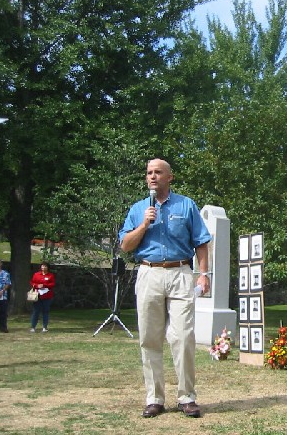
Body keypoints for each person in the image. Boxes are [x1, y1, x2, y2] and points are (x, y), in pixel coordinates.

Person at [119, 158, 212, 419]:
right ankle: (155, 398)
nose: (152, 176)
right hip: (148, 273)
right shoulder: (138, 209)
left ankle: (187, 397)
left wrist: (203, 275)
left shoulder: (186, 205)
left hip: (181, 272)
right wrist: (144, 224)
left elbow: (201, 242)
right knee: (149, 338)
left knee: (183, 336)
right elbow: (126, 245)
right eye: (149, 172)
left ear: (169, 177)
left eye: (158, 172)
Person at [29, 262, 56, 332]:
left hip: (47, 296)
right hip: (37, 295)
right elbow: (32, 282)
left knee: (45, 311)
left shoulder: (50, 275)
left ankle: (44, 327)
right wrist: (36, 286)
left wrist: (44, 285)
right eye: (42, 266)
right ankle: (33, 327)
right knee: (36, 311)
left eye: (45, 266)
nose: (43, 268)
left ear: (48, 267)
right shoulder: (36, 274)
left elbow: (52, 284)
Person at [0, 257, 12, 333]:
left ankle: (3, 327)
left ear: (1, 264)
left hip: (3, 296)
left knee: (3, 313)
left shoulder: (6, 273)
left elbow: (8, 284)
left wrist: (2, 291)